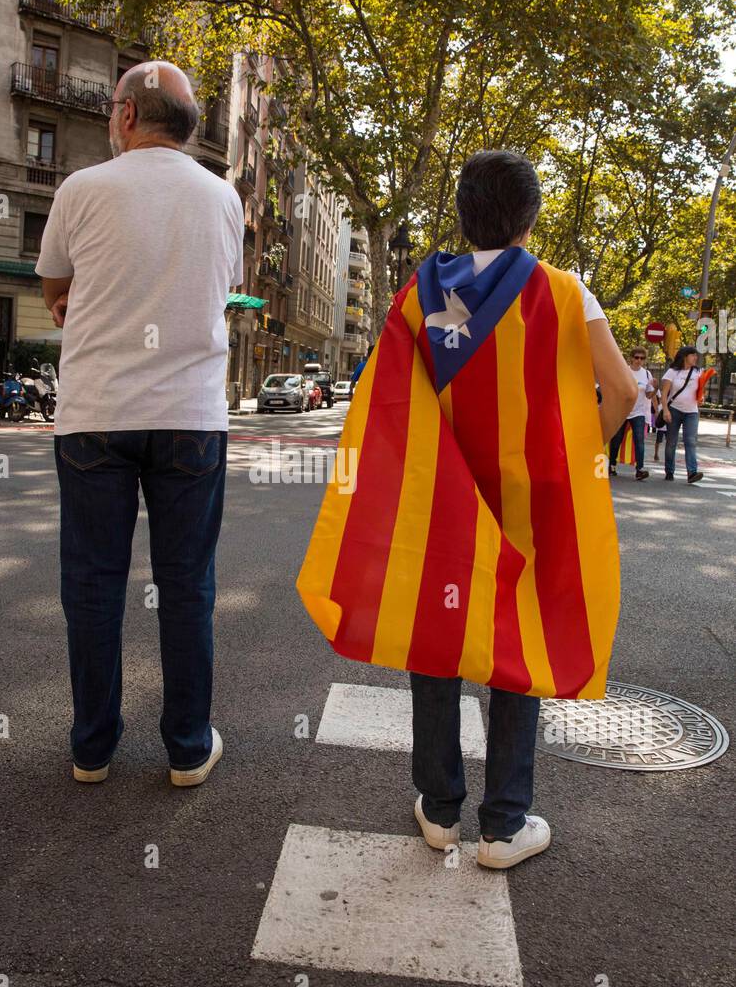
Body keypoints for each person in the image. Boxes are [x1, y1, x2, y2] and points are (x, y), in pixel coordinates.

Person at [297, 150, 636, 869]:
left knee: (438, 642)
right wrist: (581, 453)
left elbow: (382, 403)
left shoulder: (420, 295)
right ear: (531, 215)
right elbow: (625, 393)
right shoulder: (567, 292)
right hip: (530, 504)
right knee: (521, 650)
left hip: (443, 508)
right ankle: (504, 825)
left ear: (461, 214)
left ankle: (441, 809)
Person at [37, 61, 243, 785]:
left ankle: (92, 747)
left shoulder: (82, 188)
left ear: (125, 117)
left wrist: (78, 303)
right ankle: (188, 747)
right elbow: (221, 286)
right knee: (188, 586)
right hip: (190, 417)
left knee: (93, 584)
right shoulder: (224, 198)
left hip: (97, 413)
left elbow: (56, 289)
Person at [608, 347, 655, 480]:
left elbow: (649, 395)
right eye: (636, 357)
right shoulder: (624, 371)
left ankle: (640, 469)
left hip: (638, 412)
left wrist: (655, 387)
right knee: (617, 439)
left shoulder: (647, 374)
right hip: (622, 410)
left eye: (642, 358)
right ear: (631, 358)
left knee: (639, 440)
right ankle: (612, 465)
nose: (639, 361)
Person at [660, 345, 704, 484]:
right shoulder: (672, 372)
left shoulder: (698, 372)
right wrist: (666, 410)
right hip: (674, 410)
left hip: (692, 412)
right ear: (685, 357)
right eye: (693, 355)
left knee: (690, 441)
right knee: (671, 442)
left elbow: (701, 391)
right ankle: (669, 470)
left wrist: (701, 398)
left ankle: (692, 473)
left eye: (696, 355)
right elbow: (664, 393)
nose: (695, 357)